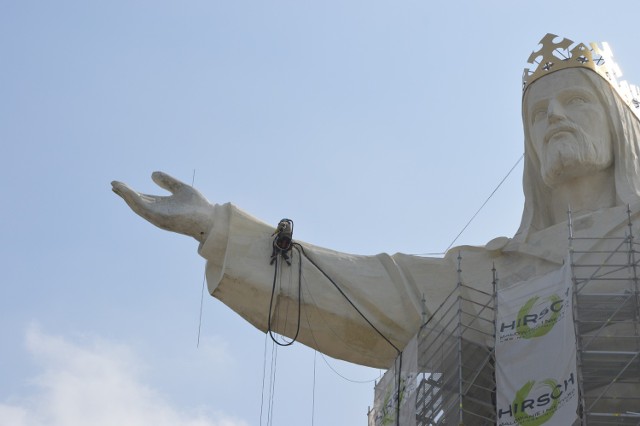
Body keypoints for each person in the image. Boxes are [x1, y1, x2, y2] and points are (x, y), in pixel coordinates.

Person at [112, 34, 640, 373]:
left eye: (576, 102)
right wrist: (217, 228)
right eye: (539, 112)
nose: (554, 120)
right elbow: (363, 288)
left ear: (619, 124)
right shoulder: (498, 274)